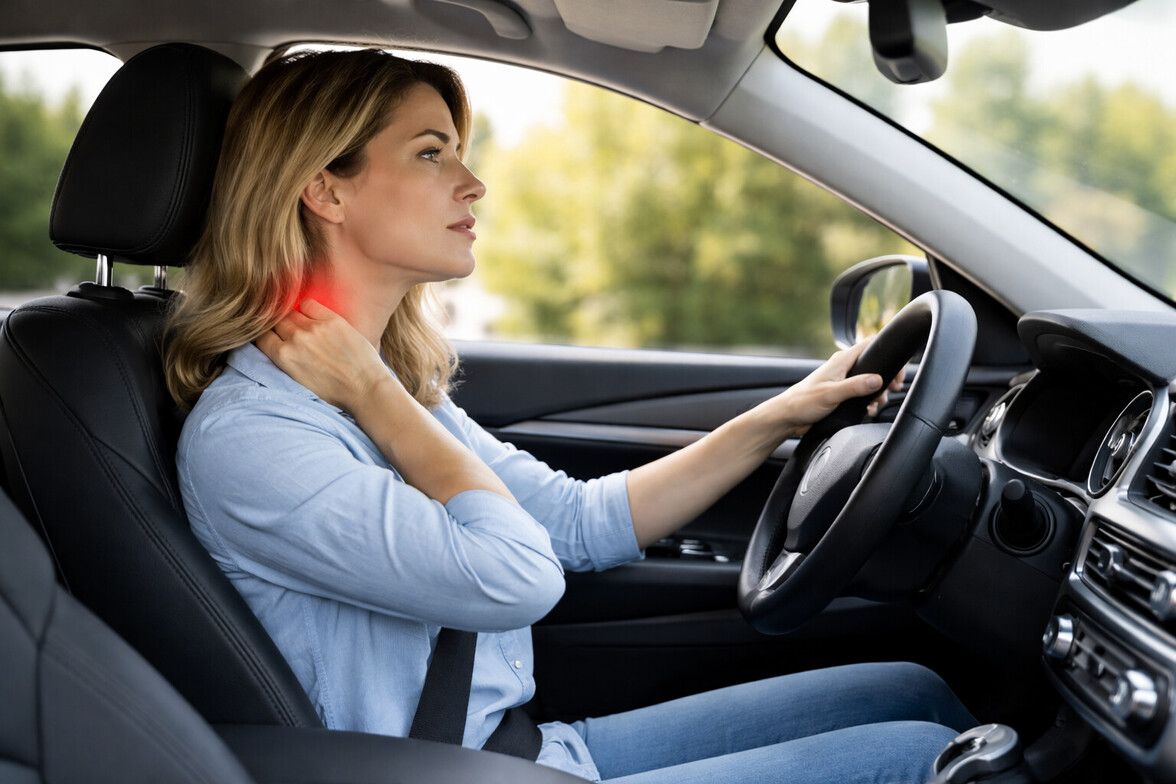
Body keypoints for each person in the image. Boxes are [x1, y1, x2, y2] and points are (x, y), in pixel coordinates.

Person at [165, 48, 976, 783]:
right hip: (433, 772)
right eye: (429, 153)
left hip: (522, 752)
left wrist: (780, 417)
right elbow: (519, 575)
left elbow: (576, 522)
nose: (472, 182)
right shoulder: (259, 436)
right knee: (914, 763)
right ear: (324, 189)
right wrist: (378, 399)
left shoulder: (387, 388)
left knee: (918, 693)